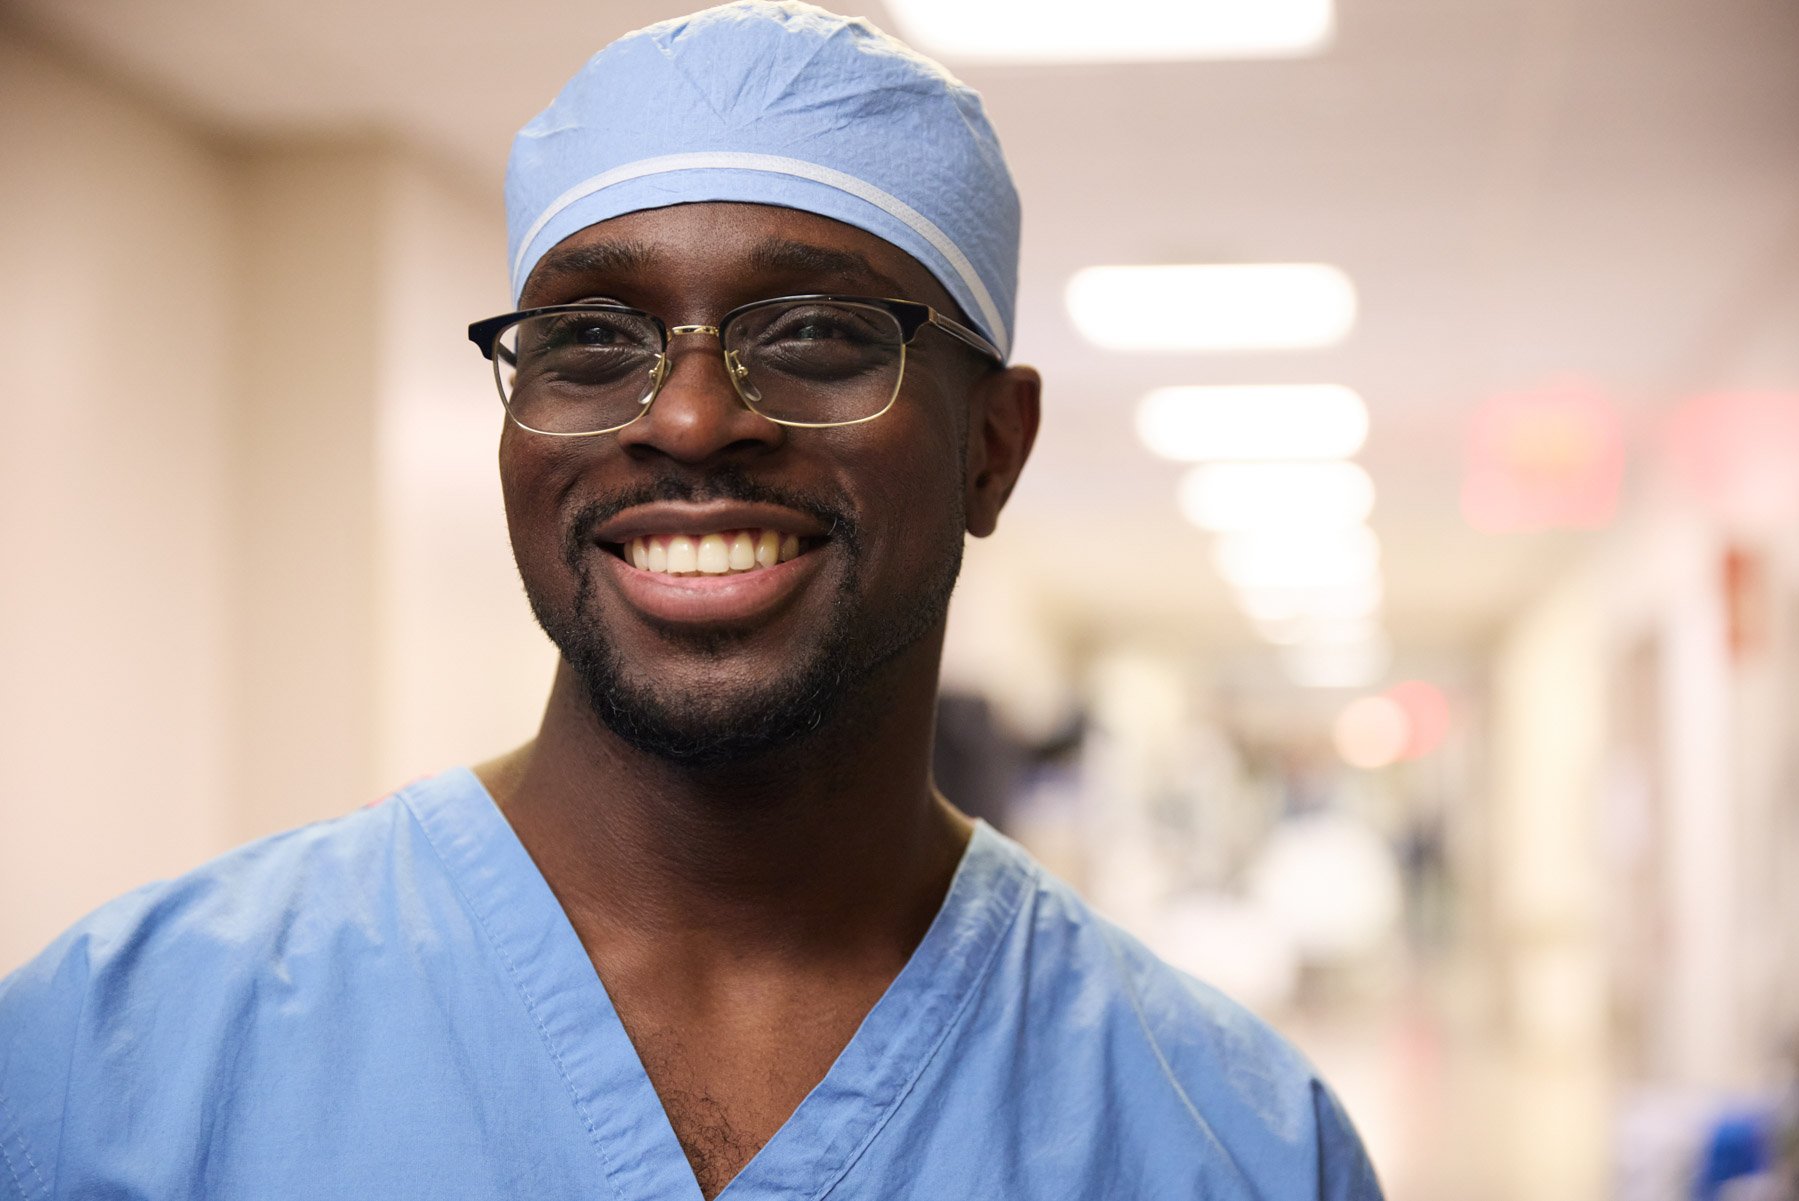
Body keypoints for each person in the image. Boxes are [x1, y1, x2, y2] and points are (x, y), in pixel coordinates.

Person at [0, 4, 1382, 1198]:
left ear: (992, 448)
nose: (692, 414)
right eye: (593, 339)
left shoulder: (1229, 1142)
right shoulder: (117, 1062)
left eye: (819, 333)